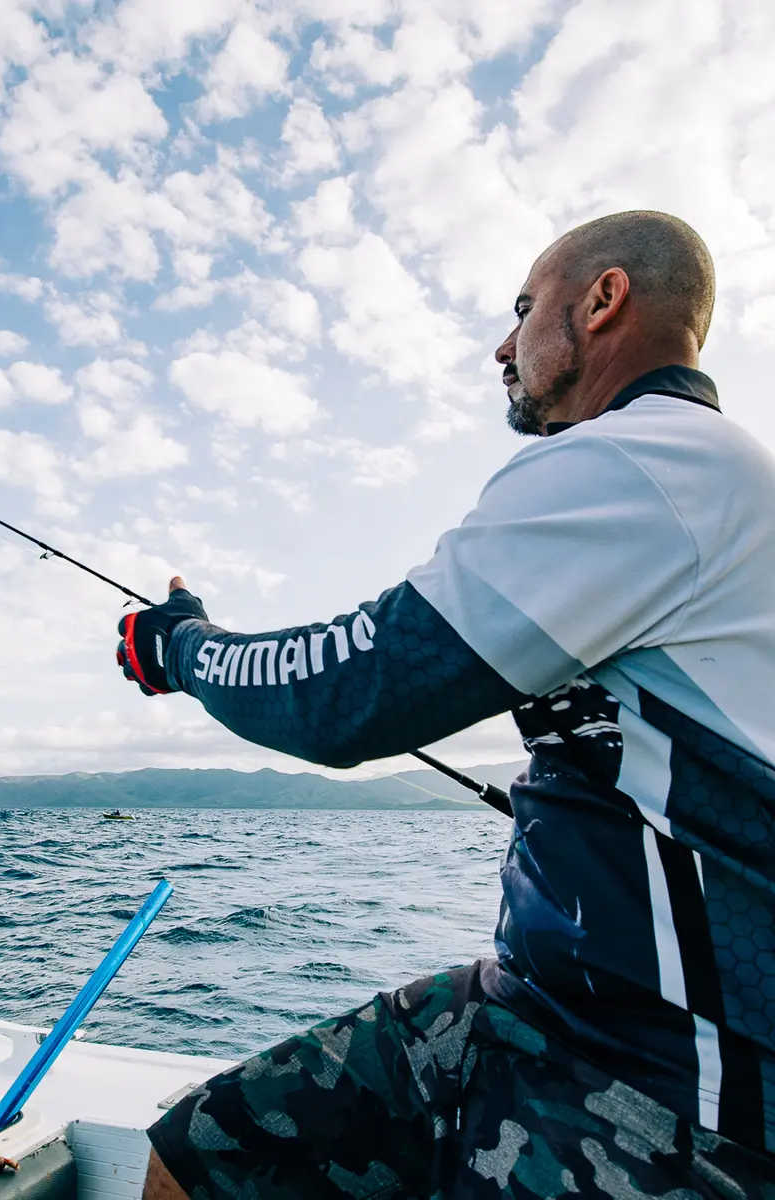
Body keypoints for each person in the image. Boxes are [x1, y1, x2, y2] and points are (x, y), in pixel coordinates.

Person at [116, 211, 775, 1198]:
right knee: (200, 1154)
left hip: (657, 1083)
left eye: (524, 310)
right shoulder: (708, 487)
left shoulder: (646, 461)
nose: (503, 345)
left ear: (602, 302)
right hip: (532, 1006)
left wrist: (182, 646)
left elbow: (345, 695)